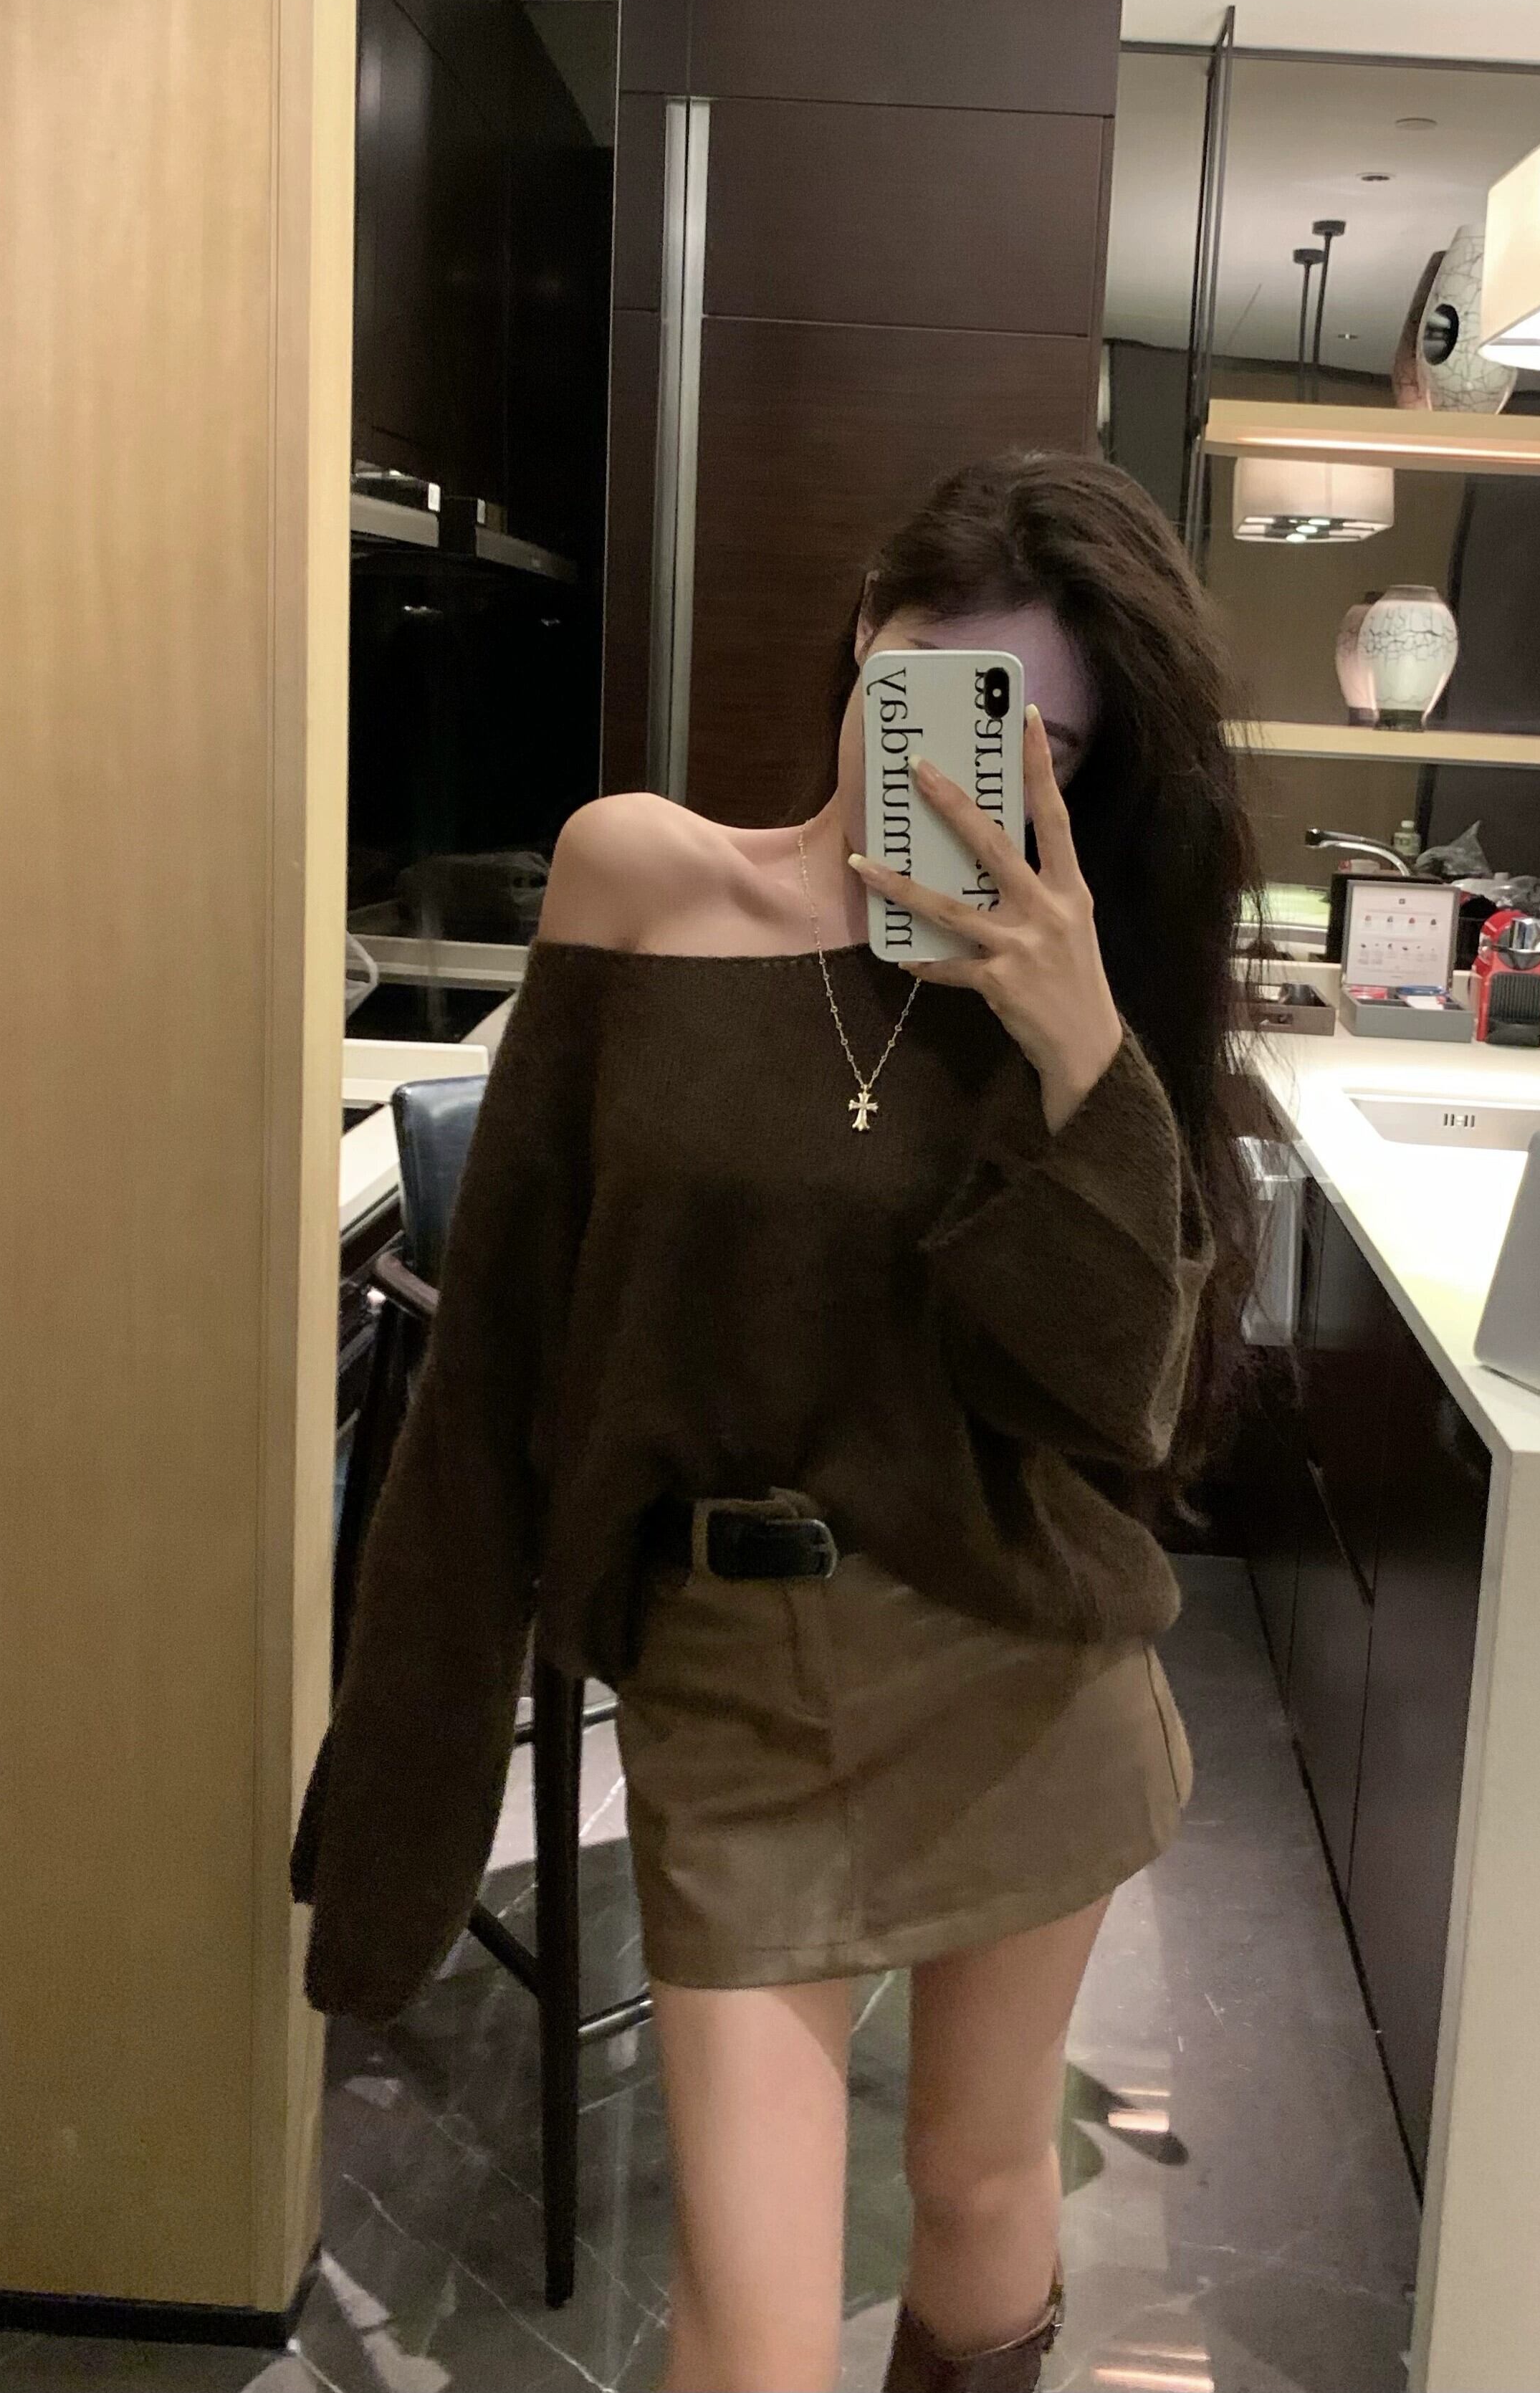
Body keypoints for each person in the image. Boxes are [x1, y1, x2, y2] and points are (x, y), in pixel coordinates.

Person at [292, 452, 1258, 2393]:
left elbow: (1117, 1406)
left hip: (1024, 1671)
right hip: (731, 1680)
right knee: (751, 2326)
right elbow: (495, 1367)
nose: (975, 771)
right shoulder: (641, 876)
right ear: (863, 636)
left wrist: (1080, 1047)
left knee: (981, 2188)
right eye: (936, 694)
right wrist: (399, 1773)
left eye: (1045, 745)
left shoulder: (1065, 988)